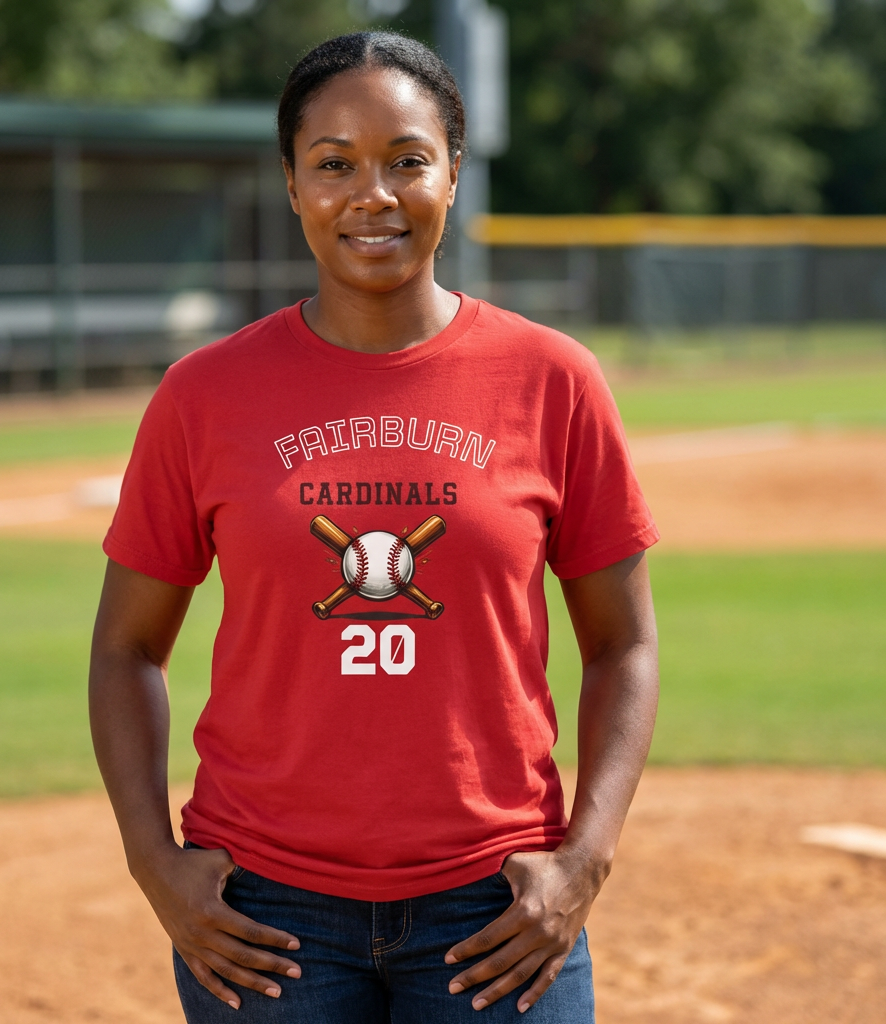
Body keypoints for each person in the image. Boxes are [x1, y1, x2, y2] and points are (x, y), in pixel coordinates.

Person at [89, 31, 659, 1023]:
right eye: (334, 164)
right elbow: (127, 648)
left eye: (406, 159)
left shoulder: (553, 379)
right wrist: (153, 863)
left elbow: (624, 643)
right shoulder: (204, 395)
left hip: (495, 907)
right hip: (263, 915)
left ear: (452, 174)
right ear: (292, 185)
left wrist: (587, 854)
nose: (373, 193)